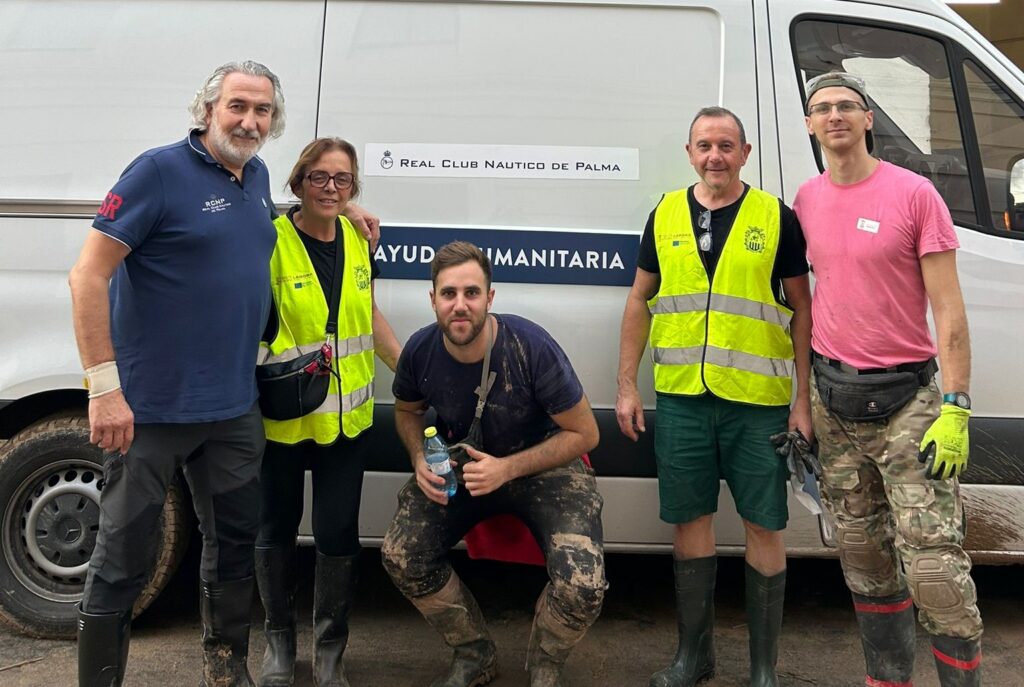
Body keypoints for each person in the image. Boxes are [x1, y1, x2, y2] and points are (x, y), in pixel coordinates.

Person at [68, 62, 377, 687]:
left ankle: (226, 669)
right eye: (238, 106)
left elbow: (283, 223)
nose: (250, 121)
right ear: (207, 109)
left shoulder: (256, 176)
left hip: (235, 408)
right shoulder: (156, 172)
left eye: (262, 111)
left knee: (234, 545)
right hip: (150, 410)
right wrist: (104, 386)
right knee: (124, 558)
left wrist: (348, 205)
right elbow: (88, 275)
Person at [795, 71, 983, 687]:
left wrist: (955, 405)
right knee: (865, 560)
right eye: (822, 108)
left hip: (909, 405)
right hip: (835, 403)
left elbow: (949, 309)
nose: (835, 115)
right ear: (810, 124)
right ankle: (887, 678)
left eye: (847, 105)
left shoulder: (913, 194)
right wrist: (804, 399)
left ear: (868, 117)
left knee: (936, 571)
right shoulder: (807, 200)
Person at [616, 107, 812, 687]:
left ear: (745, 154)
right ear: (689, 152)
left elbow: (803, 309)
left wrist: (803, 402)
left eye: (726, 145)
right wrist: (627, 385)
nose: (715, 156)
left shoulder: (777, 218)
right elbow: (638, 301)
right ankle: (692, 659)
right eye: (705, 146)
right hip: (682, 398)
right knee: (690, 523)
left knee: (763, 526)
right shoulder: (666, 213)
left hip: (759, 402)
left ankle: (762, 671)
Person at [381, 241, 606, 687]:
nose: (459, 305)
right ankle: (473, 652)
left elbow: (586, 434)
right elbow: (406, 411)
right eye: (448, 294)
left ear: (490, 297)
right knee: (403, 556)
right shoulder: (420, 351)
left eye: (471, 292)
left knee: (584, 586)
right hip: (465, 468)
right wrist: (418, 456)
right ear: (432, 300)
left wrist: (508, 469)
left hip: (547, 467)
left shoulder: (531, 347)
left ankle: (545, 662)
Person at [254, 137, 400, 687]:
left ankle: (331, 650)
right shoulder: (269, 239)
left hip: (347, 420)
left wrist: (409, 369)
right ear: (298, 183)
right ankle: (278, 646)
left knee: (338, 532)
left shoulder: (359, 240)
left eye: (343, 180)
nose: (331, 189)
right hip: (284, 416)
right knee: (275, 528)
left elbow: (367, 313)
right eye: (319, 177)